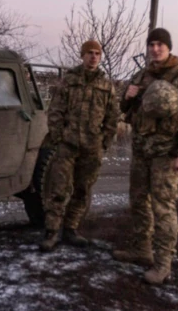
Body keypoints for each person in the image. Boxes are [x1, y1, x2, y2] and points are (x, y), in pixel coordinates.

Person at [112, 28, 178, 285]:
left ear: (169, 47)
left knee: (163, 208)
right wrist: (126, 97)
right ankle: (141, 250)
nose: (155, 48)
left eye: (160, 44)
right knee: (138, 201)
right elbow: (125, 109)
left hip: (167, 154)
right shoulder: (142, 74)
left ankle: (163, 264)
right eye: (151, 44)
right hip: (142, 151)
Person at [39, 40, 120, 251]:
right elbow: (55, 110)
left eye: (97, 54)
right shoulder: (69, 80)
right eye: (89, 53)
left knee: (83, 190)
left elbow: (112, 118)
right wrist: (58, 137)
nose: (93, 57)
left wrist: (104, 142)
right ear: (82, 55)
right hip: (68, 146)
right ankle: (51, 231)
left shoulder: (106, 86)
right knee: (58, 188)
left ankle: (71, 229)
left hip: (92, 148)